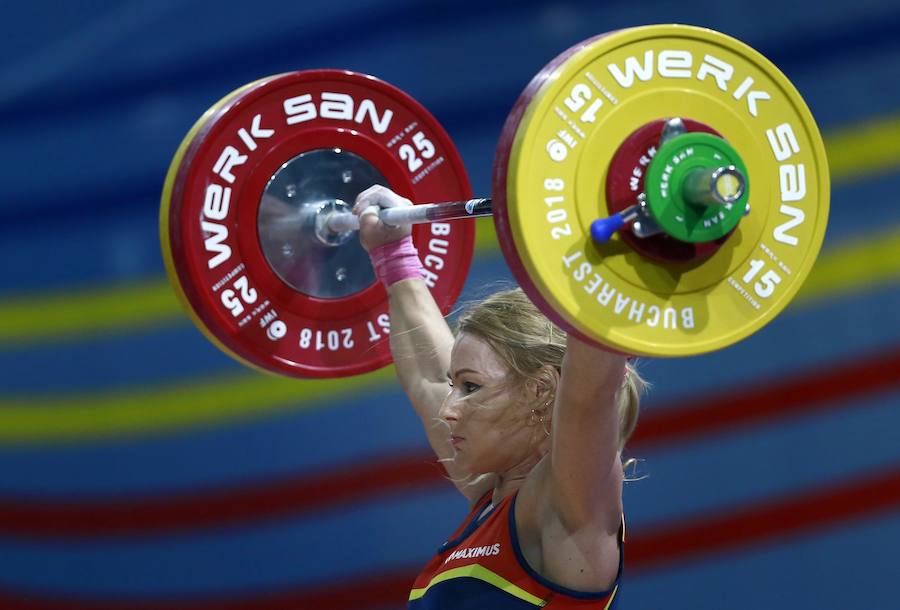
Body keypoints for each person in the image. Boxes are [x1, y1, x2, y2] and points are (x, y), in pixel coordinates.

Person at [352, 185, 646, 608]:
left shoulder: (564, 505)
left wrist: (611, 256)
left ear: (541, 390)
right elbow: (430, 379)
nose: (449, 410)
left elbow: (589, 396)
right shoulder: (491, 500)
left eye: (471, 387)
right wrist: (394, 256)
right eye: (458, 386)